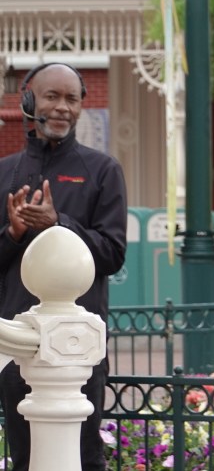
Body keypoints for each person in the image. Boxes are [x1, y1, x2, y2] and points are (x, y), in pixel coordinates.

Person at [0, 62, 127, 471]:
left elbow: (112, 253)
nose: (62, 108)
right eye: (52, 96)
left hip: (76, 348)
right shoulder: (4, 172)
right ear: (28, 100)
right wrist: (14, 234)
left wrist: (60, 225)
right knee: (23, 458)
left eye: (72, 99)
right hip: (14, 342)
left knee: (83, 457)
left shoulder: (103, 170)